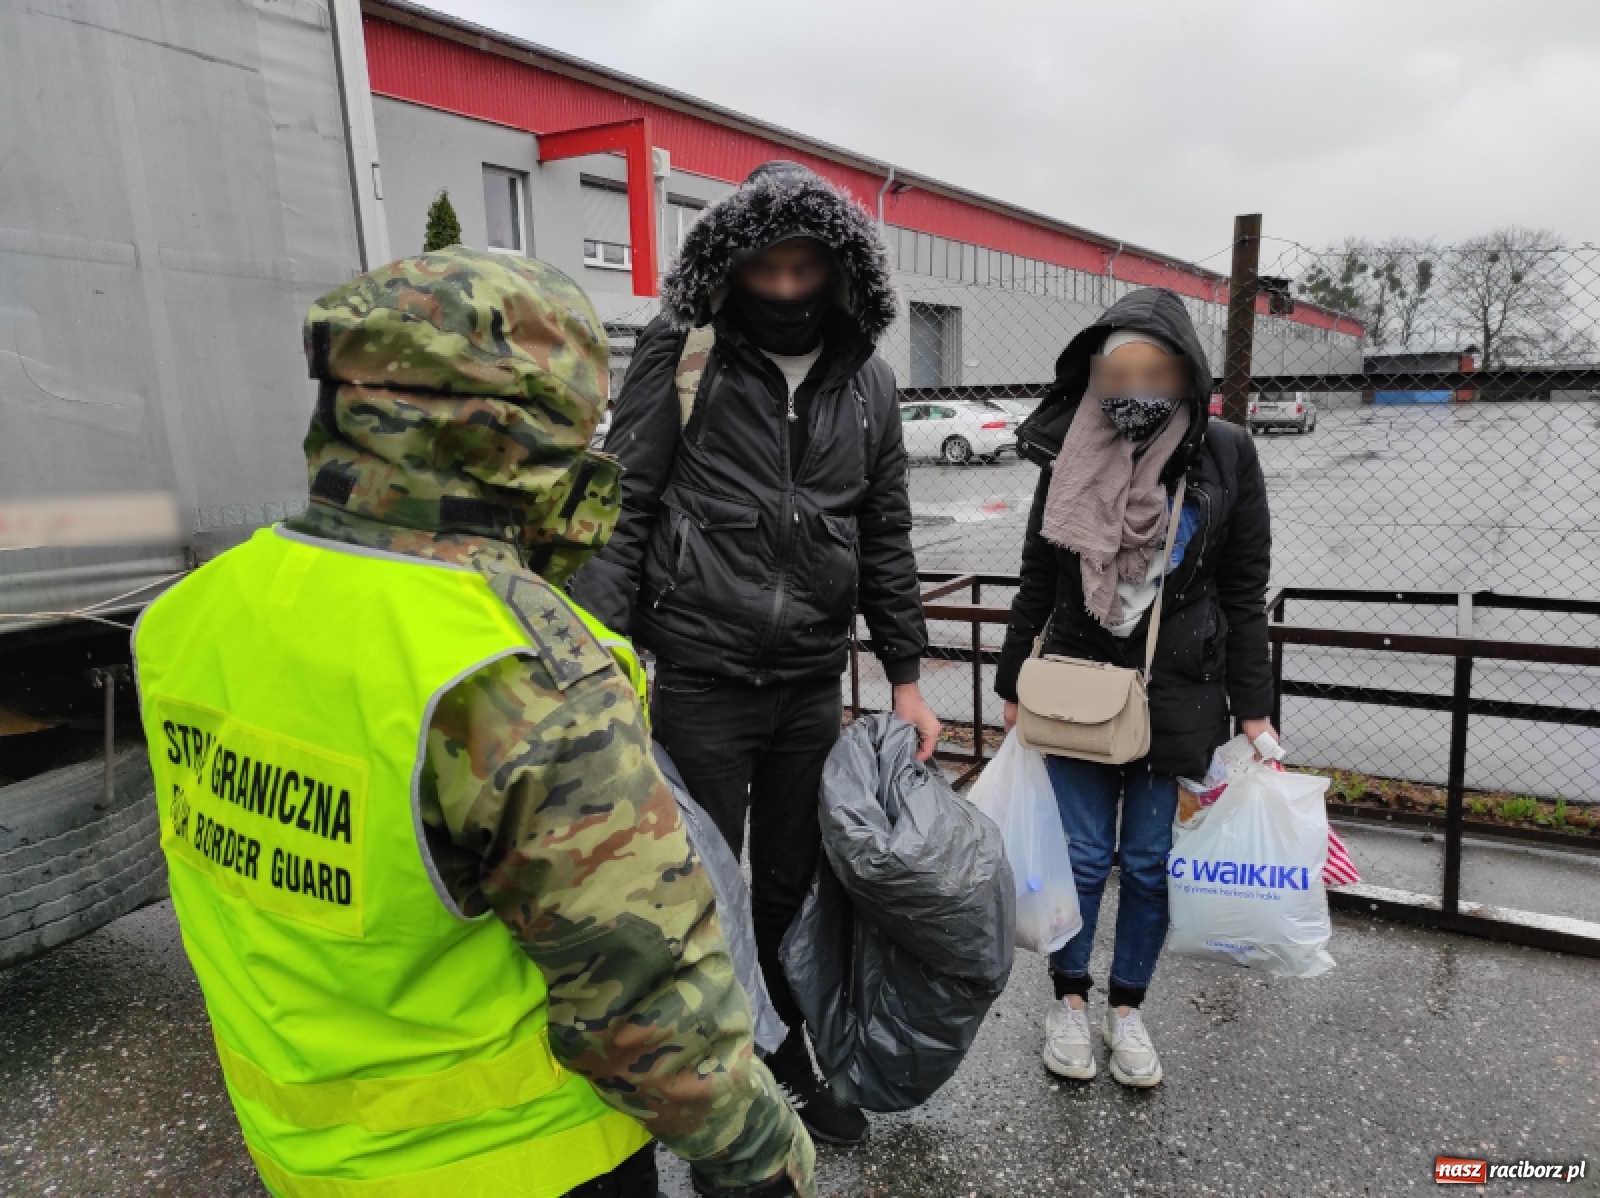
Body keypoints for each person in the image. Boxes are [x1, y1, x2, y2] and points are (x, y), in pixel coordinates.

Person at [133, 247, 813, 1198]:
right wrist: (763, 1158)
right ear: (525, 432)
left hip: (297, 1149)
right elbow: (644, 1001)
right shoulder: (517, 674)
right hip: (520, 1159)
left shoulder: (189, 614)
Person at [571, 160, 937, 1146]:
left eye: (802, 268)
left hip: (809, 684)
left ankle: (785, 1053)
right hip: (698, 676)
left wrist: (906, 678)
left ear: (839, 270)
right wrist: (600, 649)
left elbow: (885, 534)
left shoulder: (868, 383)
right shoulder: (682, 353)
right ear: (729, 268)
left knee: (790, 885)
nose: (782, 287)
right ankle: (707, 1077)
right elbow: (623, 505)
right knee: (692, 883)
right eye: (763, 268)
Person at [994, 287, 1275, 1089]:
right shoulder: (1067, 448)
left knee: (1150, 863)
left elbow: (1244, 592)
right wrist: (1012, 686)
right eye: (1118, 374)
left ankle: (1127, 1008)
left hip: (1178, 691)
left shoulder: (1227, 452)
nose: (1136, 389)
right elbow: (1037, 578)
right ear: (1093, 375)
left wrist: (1255, 712)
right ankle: (1069, 1000)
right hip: (1079, 685)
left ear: (1187, 373)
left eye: (1155, 372)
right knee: (1082, 857)